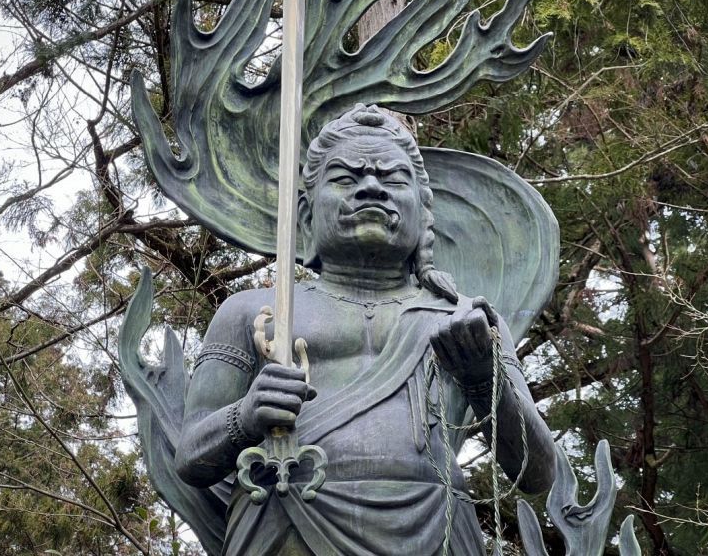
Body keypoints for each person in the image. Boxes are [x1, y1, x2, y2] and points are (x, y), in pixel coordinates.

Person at [176, 105, 555, 555]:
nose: (371, 187)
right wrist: (245, 416)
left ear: (424, 212)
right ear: (305, 212)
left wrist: (481, 380)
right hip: (286, 523)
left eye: (393, 179)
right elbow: (190, 456)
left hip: (436, 530)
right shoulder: (253, 313)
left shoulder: (465, 319)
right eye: (344, 178)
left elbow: (537, 472)